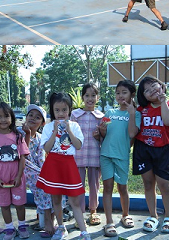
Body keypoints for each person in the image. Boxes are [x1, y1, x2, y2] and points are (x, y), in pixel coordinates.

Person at [36, 93, 90, 240]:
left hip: (68, 165)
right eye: (57, 110)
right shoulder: (47, 127)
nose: (61, 113)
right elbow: (47, 148)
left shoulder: (75, 125)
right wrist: (54, 131)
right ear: (52, 111)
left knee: (74, 201)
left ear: (69, 110)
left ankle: (84, 232)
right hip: (53, 165)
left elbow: (78, 146)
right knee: (56, 200)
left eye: (64, 110)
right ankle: (61, 227)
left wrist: (69, 130)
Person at [132, 76, 169, 233]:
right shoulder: (141, 110)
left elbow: (168, 121)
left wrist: (163, 101)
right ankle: (153, 216)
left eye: (154, 85)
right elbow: (133, 131)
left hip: (163, 150)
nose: (152, 90)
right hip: (143, 149)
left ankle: (168, 217)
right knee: (148, 184)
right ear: (143, 96)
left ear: (161, 86)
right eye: (147, 90)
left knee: (164, 185)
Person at [94, 80, 137, 236]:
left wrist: (132, 113)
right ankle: (109, 222)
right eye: (118, 92)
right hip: (106, 155)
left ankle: (126, 215)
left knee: (122, 188)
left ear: (132, 94)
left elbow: (132, 134)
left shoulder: (136, 114)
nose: (120, 96)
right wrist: (101, 131)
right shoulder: (110, 113)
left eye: (124, 92)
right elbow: (103, 134)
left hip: (122, 156)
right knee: (107, 188)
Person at [0, 102, 30, 240]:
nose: (3, 120)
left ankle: (22, 226)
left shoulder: (18, 136)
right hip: (0, 179)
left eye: (6, 116)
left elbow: (23, 158)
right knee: (4, 205)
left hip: (17, 178)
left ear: (11, 117)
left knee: (19, 204)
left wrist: (19, 176)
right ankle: (9, 228)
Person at [70, 84, 104, 227]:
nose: (90, 99)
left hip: (95, 157)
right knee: (79, 186)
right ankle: (80, 214)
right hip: (78, 157)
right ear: (82, 97)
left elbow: (104, 139)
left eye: (93, 95)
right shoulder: (75, 115)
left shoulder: (102, 117)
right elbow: (69, 136)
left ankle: (93, 211)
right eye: (87, 95)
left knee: (94, 185)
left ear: (98, 97)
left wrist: (99, 136)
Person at [20, 104, 56, 236]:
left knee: (55, 182)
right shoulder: (18, 132)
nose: (33, 119)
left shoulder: (41, 138)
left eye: (37, 117)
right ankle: (47, 220)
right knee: (43, 184)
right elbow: (22, 154)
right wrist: (27, 134)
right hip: (22, 166)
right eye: (30, 115)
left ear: (42, 123)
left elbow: (41, 159)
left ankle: (53, 218)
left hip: (36, 169)